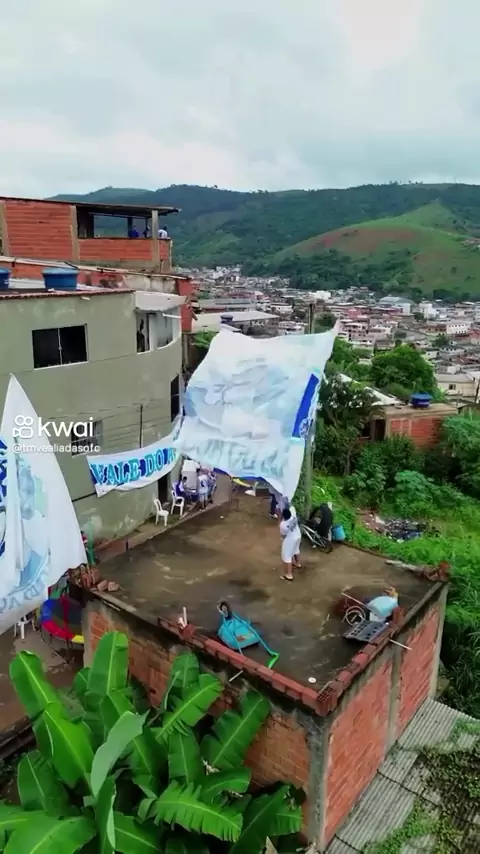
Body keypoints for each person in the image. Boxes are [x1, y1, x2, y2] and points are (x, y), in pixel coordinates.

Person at [279, 506, 302, 581]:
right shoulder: (293, 516)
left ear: (283, 516)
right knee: (296, 549)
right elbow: (292, 508)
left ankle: (288, 575)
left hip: (291, 539)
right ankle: (298, 563)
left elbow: (283, 535)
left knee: (287, 556)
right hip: (298, 535)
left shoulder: (283, 525)